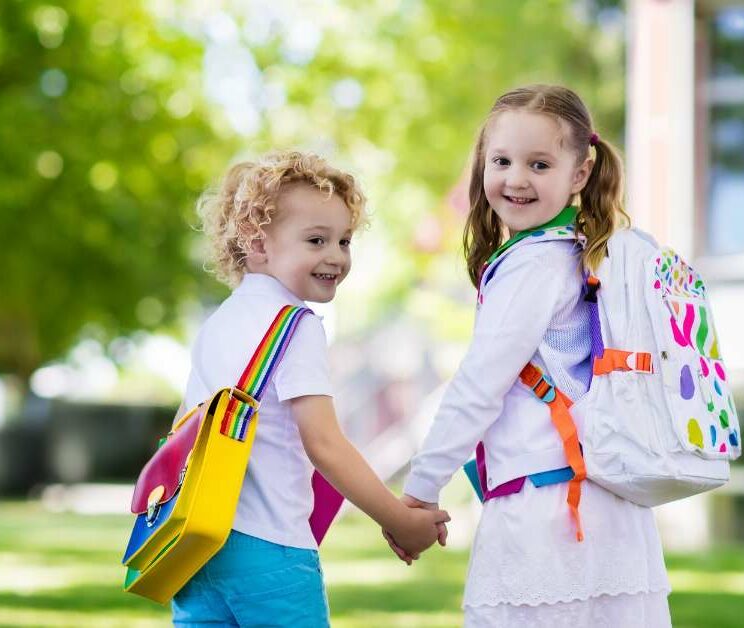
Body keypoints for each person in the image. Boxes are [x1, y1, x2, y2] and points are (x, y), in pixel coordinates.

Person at [398, 85, 672, 626]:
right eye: (501, 161)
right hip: (608, 505)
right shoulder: (589, 251)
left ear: (580, 173)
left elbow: (479, 388)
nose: (516, 178)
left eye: (539, 164)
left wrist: (418, 493)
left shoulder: (532, 264)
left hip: (547, 516)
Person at [173, 150, 449, 627]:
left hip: (197, 548)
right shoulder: (295, 325)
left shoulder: (219, 323)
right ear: (257, 244)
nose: (336, 257)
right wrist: (399, 519)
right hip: (271, 549)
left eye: (344, 240)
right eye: (316, 240)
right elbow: (324, 443)